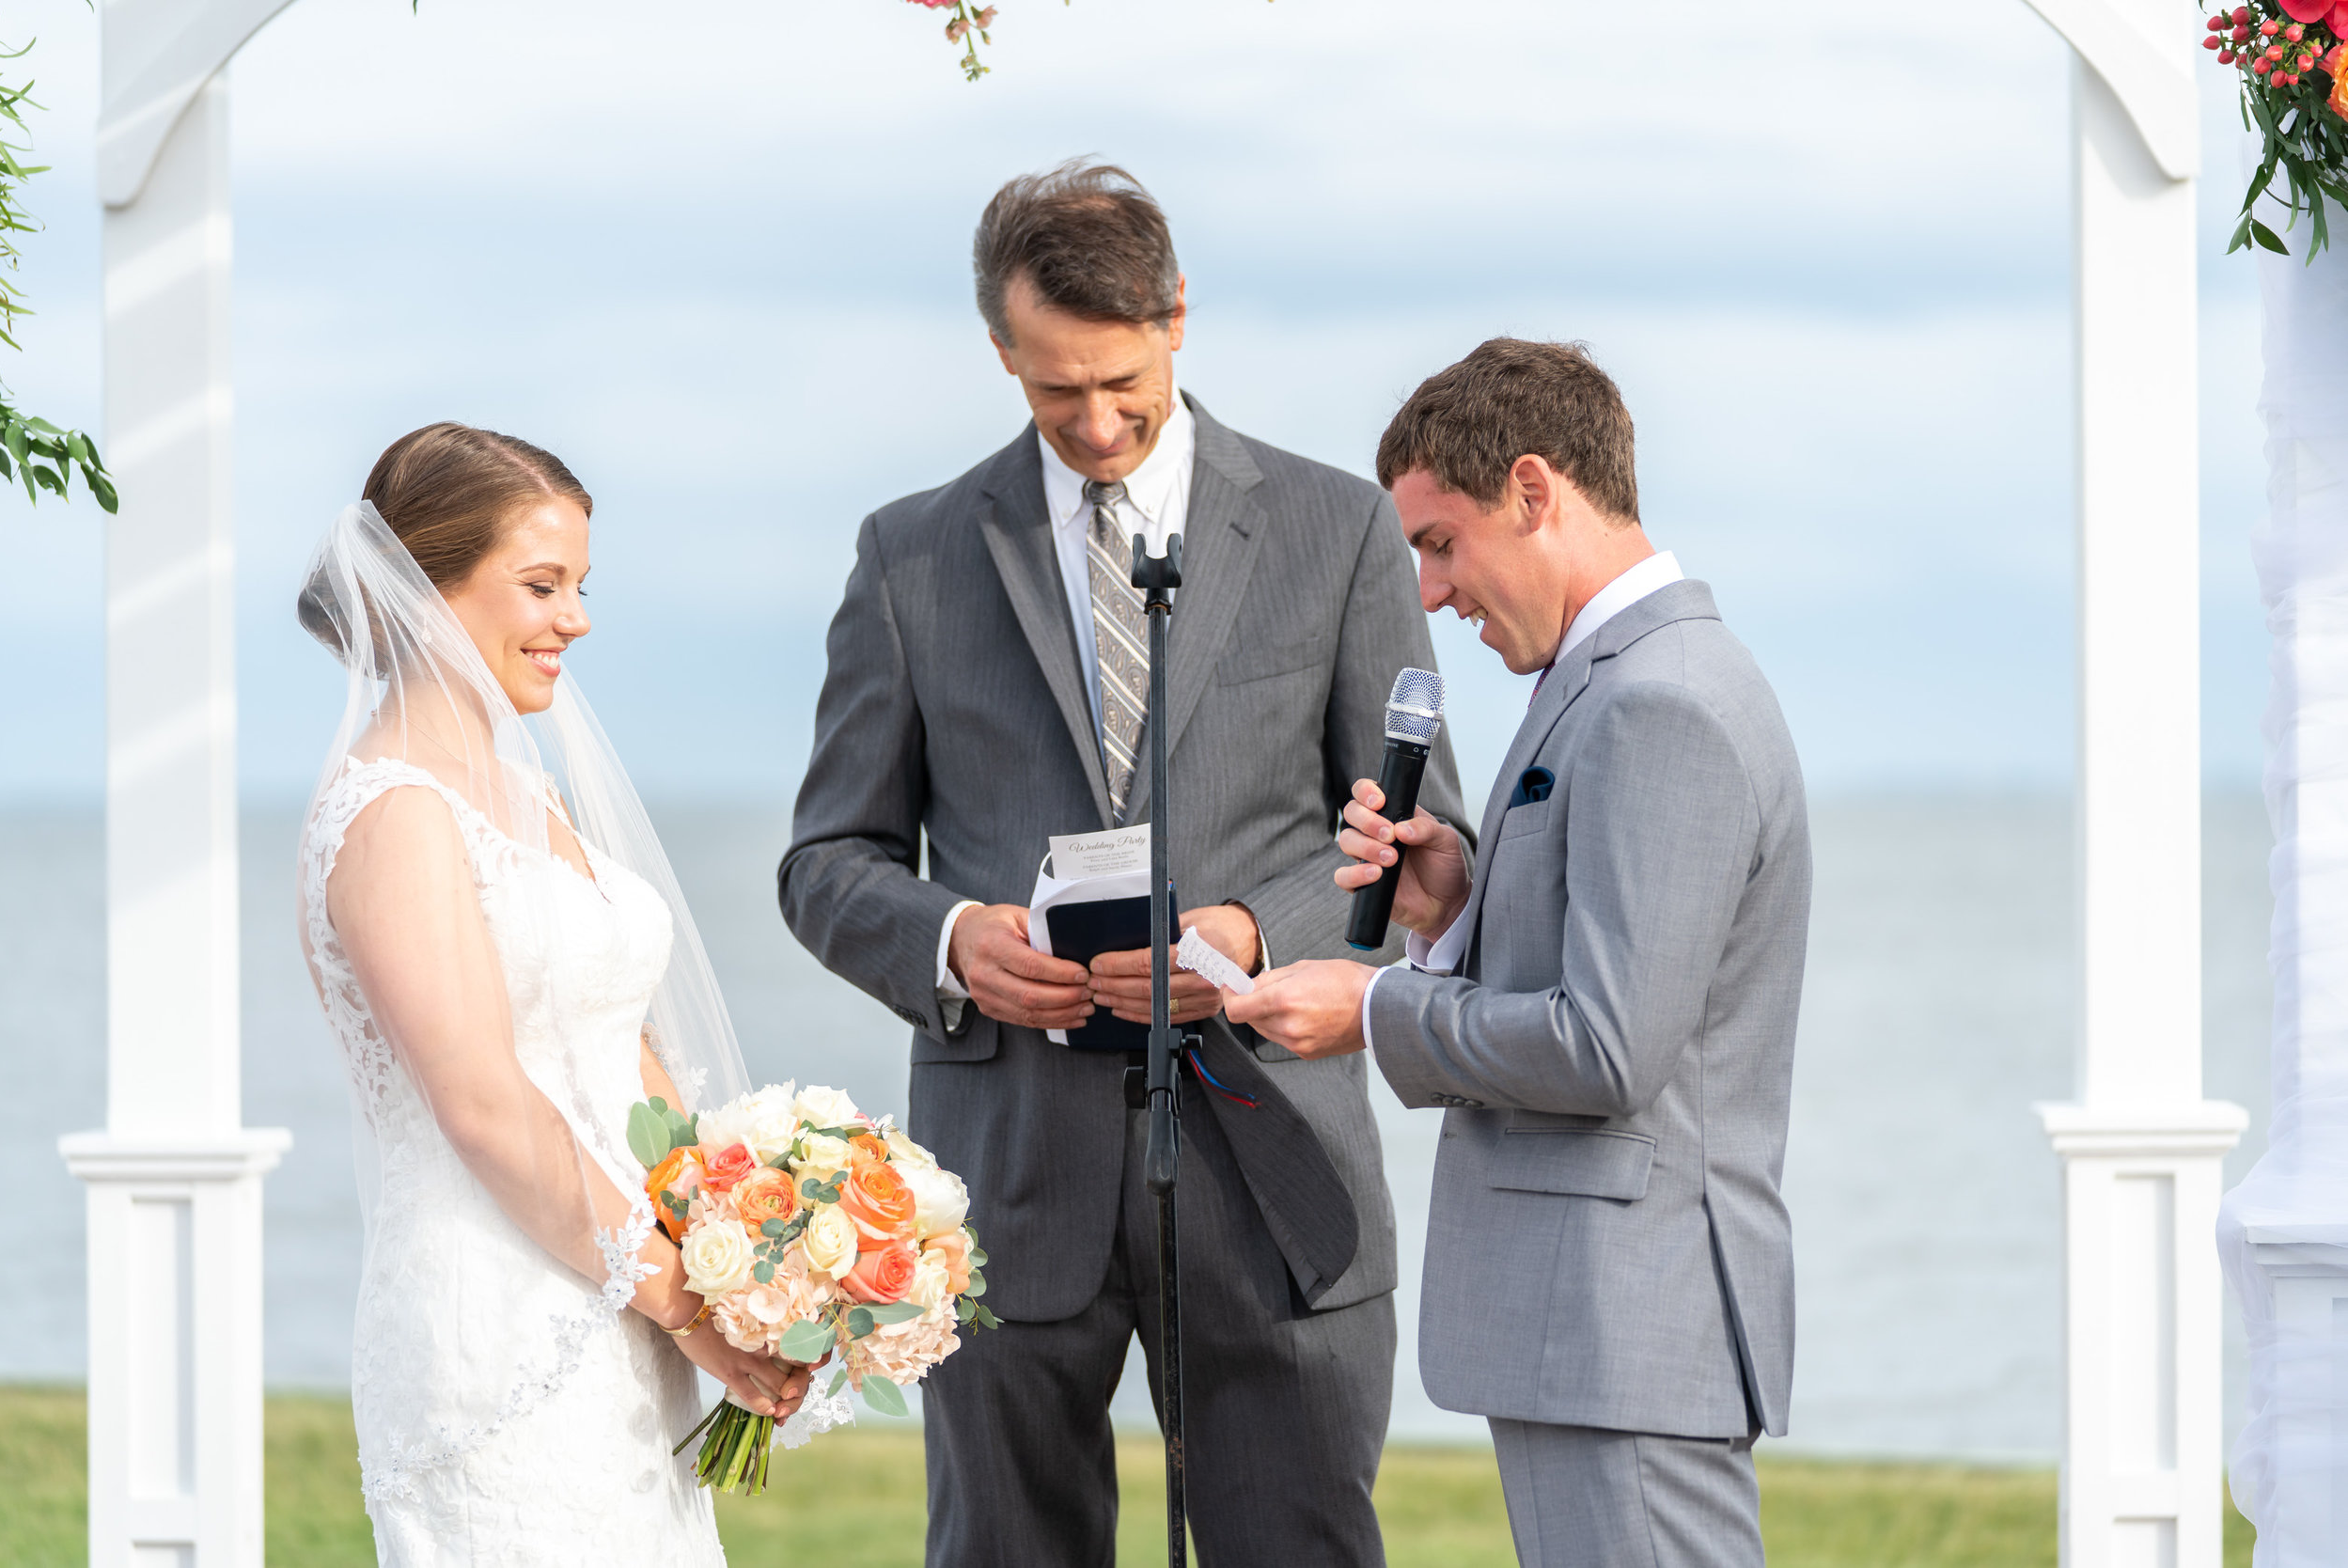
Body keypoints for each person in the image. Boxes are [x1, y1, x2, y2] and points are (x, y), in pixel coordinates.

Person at [780, 160, 1466, 1565]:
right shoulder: (910, 555)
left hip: (1275, 1171)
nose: (1094, 424)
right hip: (1007, 1177)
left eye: (1123, 387)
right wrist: (950, 937)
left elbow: (1416, 854)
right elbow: (826, 860)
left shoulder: (1338, 533)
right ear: (1000, 351)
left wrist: (1259, 936)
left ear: (1178, 318)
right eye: (1053, 392)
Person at [1226, 339, 1808, 1568]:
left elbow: (1608, 1047)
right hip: (1590, 1329)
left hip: (1626, 1326)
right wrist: (1455, 906)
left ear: (1535, 492)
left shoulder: (1662, 702)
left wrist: (1374, 1006)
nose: (1431, 594)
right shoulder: (1612, 682)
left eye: (1441, 544)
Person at [295, 424, 813, 1565]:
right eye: (540, 585)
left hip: (618, 1294)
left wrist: (744, 1250)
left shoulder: (523, 795)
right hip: (503, 1323)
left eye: (579, 586)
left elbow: (616, 1042)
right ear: (424, 590)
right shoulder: (395, 815)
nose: (574, 619)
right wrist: (680, 1298)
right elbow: (481, 1098)